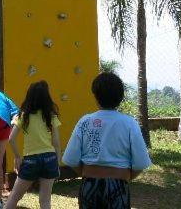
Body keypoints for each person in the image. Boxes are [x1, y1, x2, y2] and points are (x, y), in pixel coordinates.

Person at [63, 72, 152, 209]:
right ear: (120, 98)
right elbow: (140, 163)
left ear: (96, 96)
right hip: (119, 185)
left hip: (89, 185)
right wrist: (125, 176)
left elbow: (71, 159)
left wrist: (87, 173)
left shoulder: (85, 122)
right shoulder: (129, 123)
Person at [5, 81, 61, 209]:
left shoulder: (23, 115)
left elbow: (11, 139)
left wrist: (18, 157)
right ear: (47, 97)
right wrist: (57, 163)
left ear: (29, 96)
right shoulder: (51, 116)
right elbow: (56, 142)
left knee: (14, 197)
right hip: (50, 159)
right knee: (45, 201)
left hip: (31, 160)